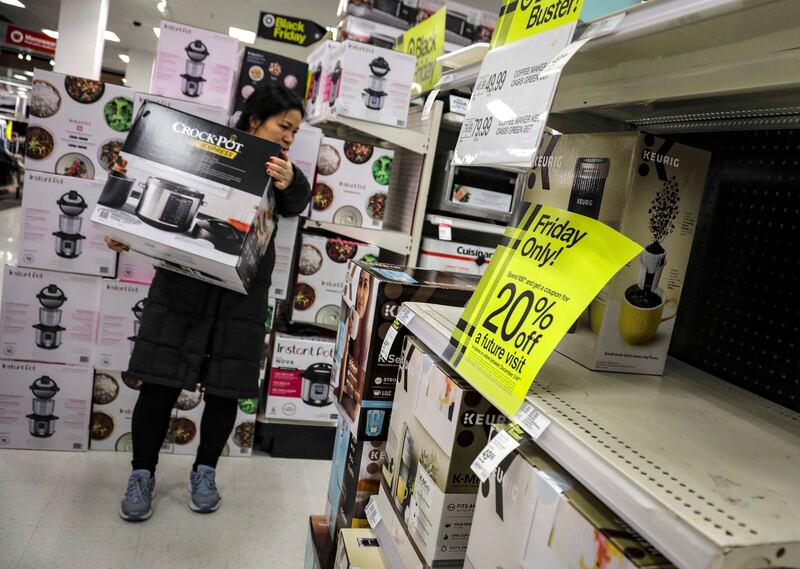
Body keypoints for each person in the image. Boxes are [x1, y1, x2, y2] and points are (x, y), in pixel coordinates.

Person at [105, 83, 311, 522]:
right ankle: (141, 474)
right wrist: (122, 227)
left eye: (294, 131)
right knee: (160, 381)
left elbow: (296, 203)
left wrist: (291, 181)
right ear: (255, 120)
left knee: (224, 387)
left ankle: (205, 473)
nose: (289, 136)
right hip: (182, 285)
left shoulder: (281, 168)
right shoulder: (204, 145)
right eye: (284, 126)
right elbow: (146, 181)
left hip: (241, 295)